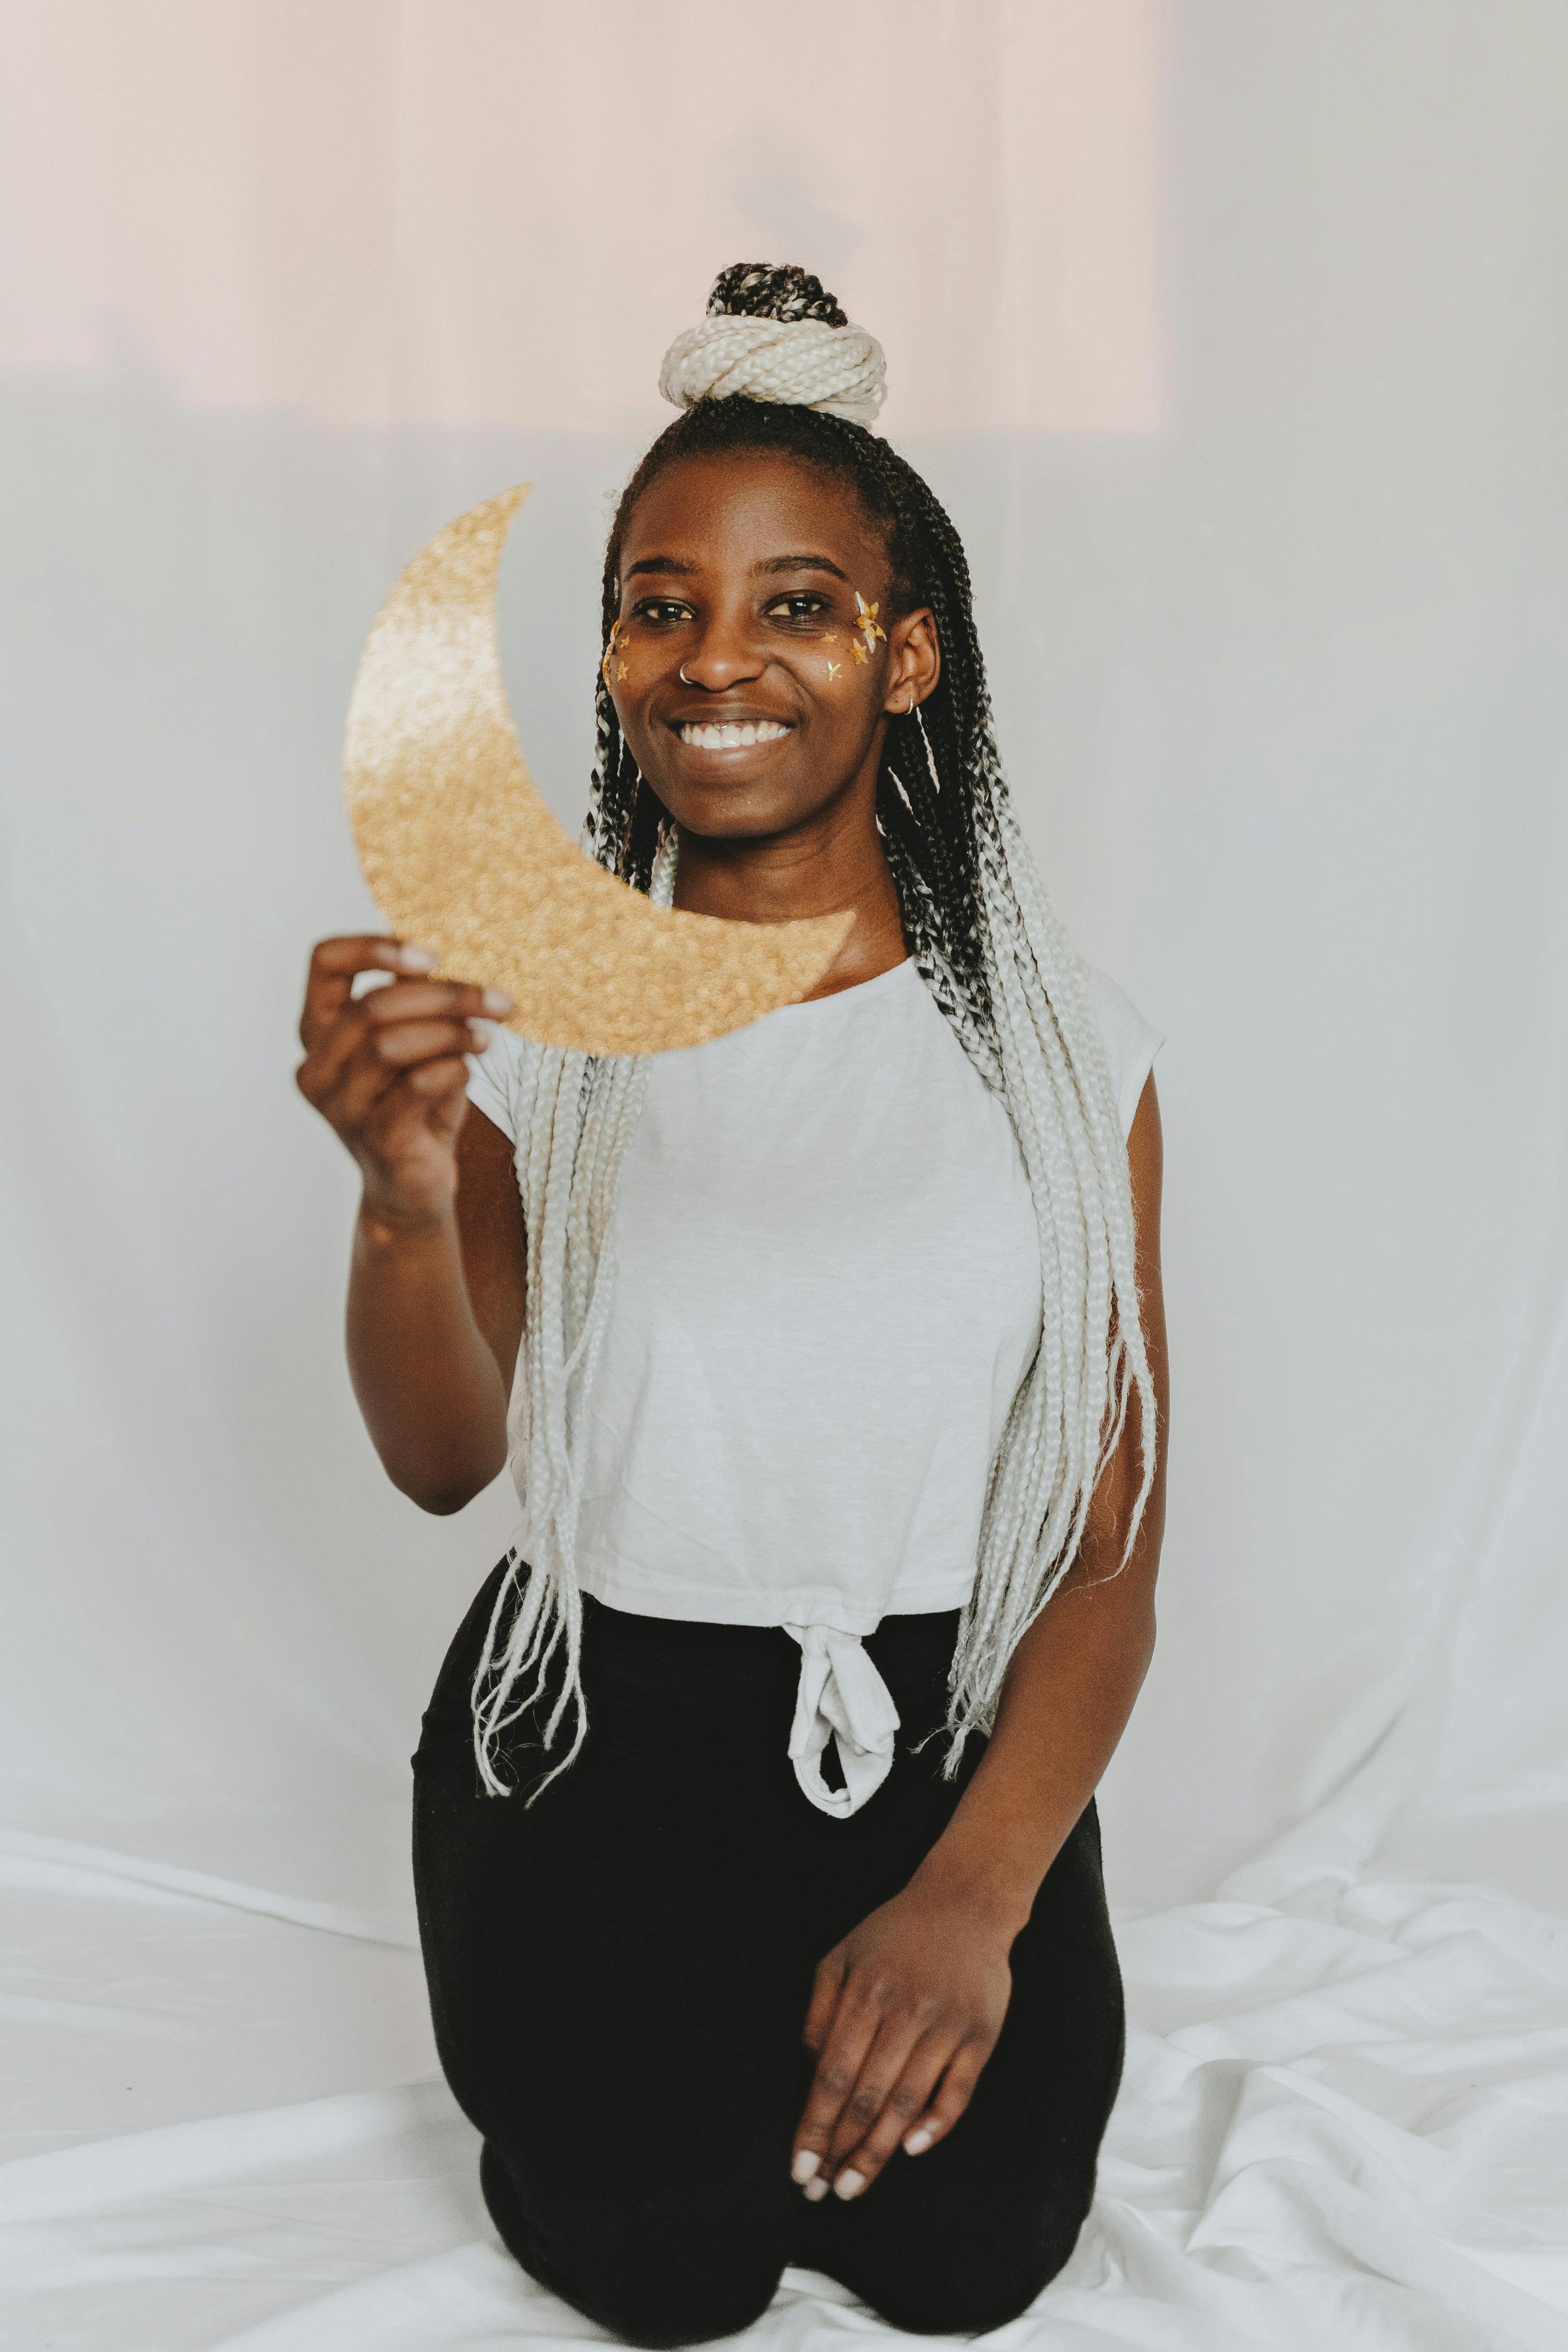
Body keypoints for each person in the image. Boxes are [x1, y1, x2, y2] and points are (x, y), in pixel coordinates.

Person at [296, 263, 1169, 2345]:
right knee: (671, 2265)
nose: (720, 657)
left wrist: (974, 1903)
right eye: (660, 602)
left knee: (975, 2267)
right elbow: (441, 1465)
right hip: (597, 1731)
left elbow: (1113, 1535)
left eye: (797, 603)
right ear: (608, 658)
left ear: (909, 655)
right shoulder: (541, 1031)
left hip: (950, 1732)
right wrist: (407, 1194)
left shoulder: (1069, 1056)